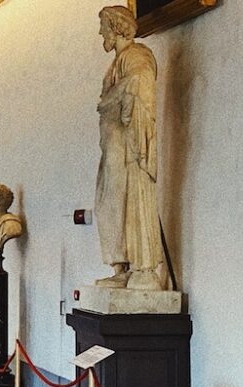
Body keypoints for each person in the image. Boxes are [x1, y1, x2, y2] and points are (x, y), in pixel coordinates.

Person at [95, 5, 166, 291]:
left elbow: (140, 82)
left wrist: (110, 100)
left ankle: (142, 267)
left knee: (126, 201)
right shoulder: (117, 62)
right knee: (109, 204)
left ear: (116, 28)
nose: (101, 32)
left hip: (127, 148)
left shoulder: (136, 55)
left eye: (104, 27)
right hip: (112, 145)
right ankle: (120, 267)